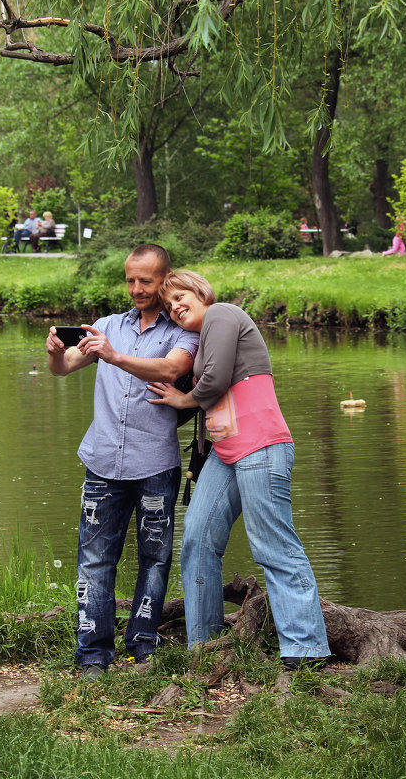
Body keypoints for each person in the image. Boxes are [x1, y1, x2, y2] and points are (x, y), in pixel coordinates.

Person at [147, 270, 331, 670]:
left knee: (273, 545)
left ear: (201, 292)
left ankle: (306, 648)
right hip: (226, 452)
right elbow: (204, 391)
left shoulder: (223, 314)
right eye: (168, 305)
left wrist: (183, 399)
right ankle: (205, 645)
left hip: (262, 446)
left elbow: (213, 382)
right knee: (197, 539)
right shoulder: (202, 337)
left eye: (181, 297)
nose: (175, 307)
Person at [46, 244, 199, 678]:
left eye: (146, 281)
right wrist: (57, 352)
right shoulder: (108, 326)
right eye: (130, 280)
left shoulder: (184, 330)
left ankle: (142, 645)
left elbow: (171, 370)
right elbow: (64, 368)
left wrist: (114, 356)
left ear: (165, 279)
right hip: (101, 463)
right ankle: (93, 654)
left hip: (155, 464)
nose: (136, 288)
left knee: (155, 559)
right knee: (94, 560)